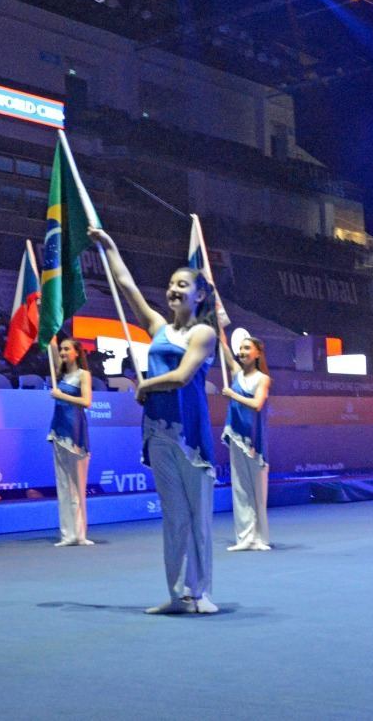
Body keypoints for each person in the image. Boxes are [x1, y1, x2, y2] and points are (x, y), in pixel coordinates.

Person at [88, 227, 219, 615]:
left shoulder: (204, 333)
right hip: (158, 432)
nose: (174, 291)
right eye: (171, 285)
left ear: (199, 295)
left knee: (198, 516)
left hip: (189, 434)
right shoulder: (159, 329)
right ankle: (178, 593)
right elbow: (127, 286)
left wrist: (144, 385)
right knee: (174, 515)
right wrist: (110, 246)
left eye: (183, 285)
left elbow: (181, 376)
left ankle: (202, 593)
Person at [219, 334, 272, 552]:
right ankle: (244, 537)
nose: (242, 352)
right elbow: (224, 348)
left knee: (257, 489)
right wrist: (217, 325)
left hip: (254, 439)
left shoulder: (263, 379)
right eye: (240, 348)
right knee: (240, 489)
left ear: (258, 352)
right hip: (236, 435)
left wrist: (232, 394)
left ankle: (260, 538)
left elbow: (257, 404)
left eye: (247, 348)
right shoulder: (235, 373)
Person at [48, 337, 95, 546]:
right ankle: (67, 534)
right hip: (58, 431)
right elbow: (51, 347)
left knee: (77, 485)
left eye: (67, 349)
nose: (63, 352)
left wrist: (61, 395)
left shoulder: (83, 375)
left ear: (77, 352)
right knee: (63, 486)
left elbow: (86, 402)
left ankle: (80, 534)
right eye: (62, 349)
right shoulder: (60, 374)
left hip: (75, 433)